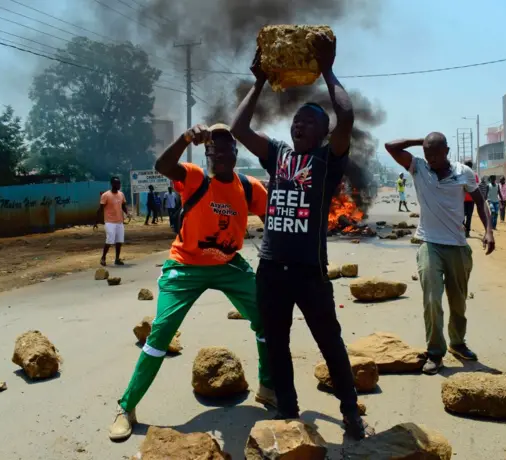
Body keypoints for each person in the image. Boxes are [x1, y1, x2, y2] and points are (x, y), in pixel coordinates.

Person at [231, 34, 374, 440]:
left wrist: (327, 69)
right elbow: (239, 127)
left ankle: (349, 411)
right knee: (277, 343)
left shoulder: (329, 159)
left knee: (330, 343)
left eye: (308, 120)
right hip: (272, 267)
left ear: (322, 131)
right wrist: (258, 81)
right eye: (296, 120)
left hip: (310, 271)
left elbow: (346, 117)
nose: (298, 124)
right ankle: (289, 409)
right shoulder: (278, 154)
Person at [108, 123, 276, 442]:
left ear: (236, 153)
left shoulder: (250, 187)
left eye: (228, 148)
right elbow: (162, 166)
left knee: (265, 320)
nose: (222, 154)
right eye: (215, 148)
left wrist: (276, 262)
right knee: (161, 334)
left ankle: (267, 388)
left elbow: (273, 224)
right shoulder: (194, 177)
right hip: (185, 266)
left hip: (228, 264)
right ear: (207, 152)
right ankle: (126, 407)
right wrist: (185, 137)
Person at [384, 133, 495, 375]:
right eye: (427, 154)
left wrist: (488, 231)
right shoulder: (418, 167)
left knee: (458, 301)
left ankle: (458, 343)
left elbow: (479, 201)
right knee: (432, 298)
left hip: (457, 246)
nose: (431, 159)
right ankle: (435, 352)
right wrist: (419, 141)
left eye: (435, 154)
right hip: (429, 243)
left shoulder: (462, 172)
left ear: (447, 150)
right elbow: (389, 146)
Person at [95, 177, 129, 266]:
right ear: (112, 184)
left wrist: (127, 213)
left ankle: (117, 259)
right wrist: (96, 221)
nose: (119, 185)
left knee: (119, 241)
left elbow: (123, 206)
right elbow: (100, 209)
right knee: (109, 240)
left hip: (119, 221)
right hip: (109, 222)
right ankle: (103, 258)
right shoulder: (106, 195)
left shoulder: (121, 194)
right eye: (117, 184)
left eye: (119, 184)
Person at [463, 160, 478, 238]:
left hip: (462, 199)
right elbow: (476, 188)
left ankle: (463, 230)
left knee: (462, 216)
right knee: (469, 216)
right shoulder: (475, 175)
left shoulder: (461, 174)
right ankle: (467, 231)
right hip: (471, 199)